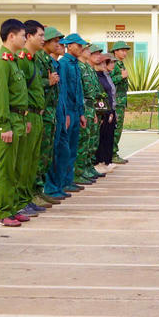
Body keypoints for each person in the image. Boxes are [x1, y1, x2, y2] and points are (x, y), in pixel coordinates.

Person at [0, 19, 31, 227]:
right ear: (11, 36)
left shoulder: (13, 61)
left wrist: (25, 118)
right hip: (9, 121)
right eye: (23, 35)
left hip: (19, 119)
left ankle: (13, 207)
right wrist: (5, 126)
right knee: (6, 170)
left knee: (16, 168)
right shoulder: (1, 62)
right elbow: (1, 96)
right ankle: (4, 211)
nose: (25, 39)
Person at [46, 33, 86, 197]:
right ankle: (57, 184)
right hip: (66, 111)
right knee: (62, 150)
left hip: (74, 111)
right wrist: (67, 113)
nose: (82, 48)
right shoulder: (63, 64)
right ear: (71, 46)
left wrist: (81, 112)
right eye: (79, 45)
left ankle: (67, 182)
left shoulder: (74, 64)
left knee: (71, 149)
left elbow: (78, 90)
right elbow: (64, 91)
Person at [16, 22, 50, 215]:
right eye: (40, 35)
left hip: (38, 115)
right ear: (28, 36)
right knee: (23, 162)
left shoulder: (33, 60)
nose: (43, 39)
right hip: (28, 115)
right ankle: (20, 201)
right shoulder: (21, 60)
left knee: (32, 161)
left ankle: (27, 197)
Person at [33, 26, 64, 206]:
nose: (58, 44)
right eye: (55, 41)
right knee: (39, 155)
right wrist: (48, 81)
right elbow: (33, 83)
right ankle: (34, 192)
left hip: (50, 113)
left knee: (46, 154)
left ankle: (40, 189)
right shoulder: (37, 59)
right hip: (42, 113)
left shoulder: (47, 60)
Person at [74, 43, 103, 184]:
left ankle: (87, 167)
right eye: (87, 50)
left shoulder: (88, 68)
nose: (89, 51)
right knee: (83, 140)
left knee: (90, 140)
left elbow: (94, 91)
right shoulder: (79, 67)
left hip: (91, 107)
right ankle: (79, 171)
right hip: (84, 106)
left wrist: (95, 112)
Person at [93, 53, 118, 173]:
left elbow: (110, 94)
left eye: (105, 63)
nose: (104, 65)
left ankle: (106, 161)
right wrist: (105, 113)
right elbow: (100, 96)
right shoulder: (96, 76)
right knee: (102, 136)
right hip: (103, 110)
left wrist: (112, 111)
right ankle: (99, 162)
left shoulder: (105, 75)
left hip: (109, 110)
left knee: (108, 136)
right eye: (102, 63)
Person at [109, 41, 132, 164]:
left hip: (121, 101)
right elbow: (109, 80)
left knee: (118, 128)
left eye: (126, 50)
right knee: (116, 128)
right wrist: (121, 77)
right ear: (115, 51)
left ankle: (113, 152)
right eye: (122, 50)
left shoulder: (121, 64)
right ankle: (112, 153)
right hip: (116, 101)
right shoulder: (114, 64)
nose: (125, 53)